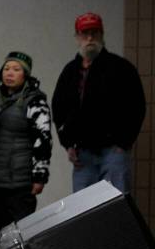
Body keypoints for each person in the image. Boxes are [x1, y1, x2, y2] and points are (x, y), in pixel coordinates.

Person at [52, 12, 146, 194]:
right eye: (85, 33)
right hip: (82, 155)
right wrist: (68, 143)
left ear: (102, 35)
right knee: (82, 211)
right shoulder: (70, 72)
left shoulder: (121, 68)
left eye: (94, 33)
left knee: (115, 206)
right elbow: (59, 108)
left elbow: (137, 106)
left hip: (113, 151)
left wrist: (123, 142)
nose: (89, 38)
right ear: (77, 37)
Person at [0, 51, 52, 239]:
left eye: (16, 69)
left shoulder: (35, 101)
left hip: (21, 182)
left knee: (22, 231)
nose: (9, 73)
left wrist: (40, 176)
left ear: (26, 74)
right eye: (6, 68)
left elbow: (43, 139)